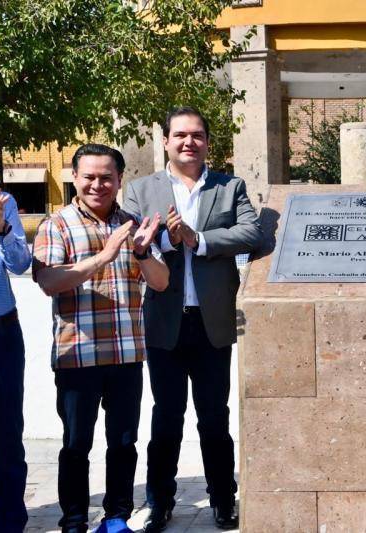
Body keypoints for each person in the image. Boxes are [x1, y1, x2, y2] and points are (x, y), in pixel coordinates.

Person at [123, 107, 262, 531]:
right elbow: (132, 237)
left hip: (212, 320)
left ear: (207, 143)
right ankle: (159, 502)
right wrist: (167, 237)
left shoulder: (229, 186)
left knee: (214, 417)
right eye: (180, 135)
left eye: (197, 135)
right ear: (164, 140)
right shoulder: (140, 189)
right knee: (166, 416)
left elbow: (251, 232)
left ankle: (223, 499)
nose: (189, 142)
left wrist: (197, 239)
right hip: (164, 319)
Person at [32, 144, 168, 533]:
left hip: (126, 354)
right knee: (76, 446)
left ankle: (116, 518)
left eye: (106, 177)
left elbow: (161, 281)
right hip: (78, 356)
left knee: (123, 444)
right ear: (74, 178)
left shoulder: (133, 224)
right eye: (89, 176)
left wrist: (141, 253)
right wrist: (103, 257)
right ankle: (74, 521)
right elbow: (48, 281)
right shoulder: (56, 225)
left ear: (119, 180)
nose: (97, 184)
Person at [0, 187, 31, 532]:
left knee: (7, 437)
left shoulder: (2, 202)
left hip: (1, 334)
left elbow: (20, 264)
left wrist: (2, 229)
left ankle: (10, 524)